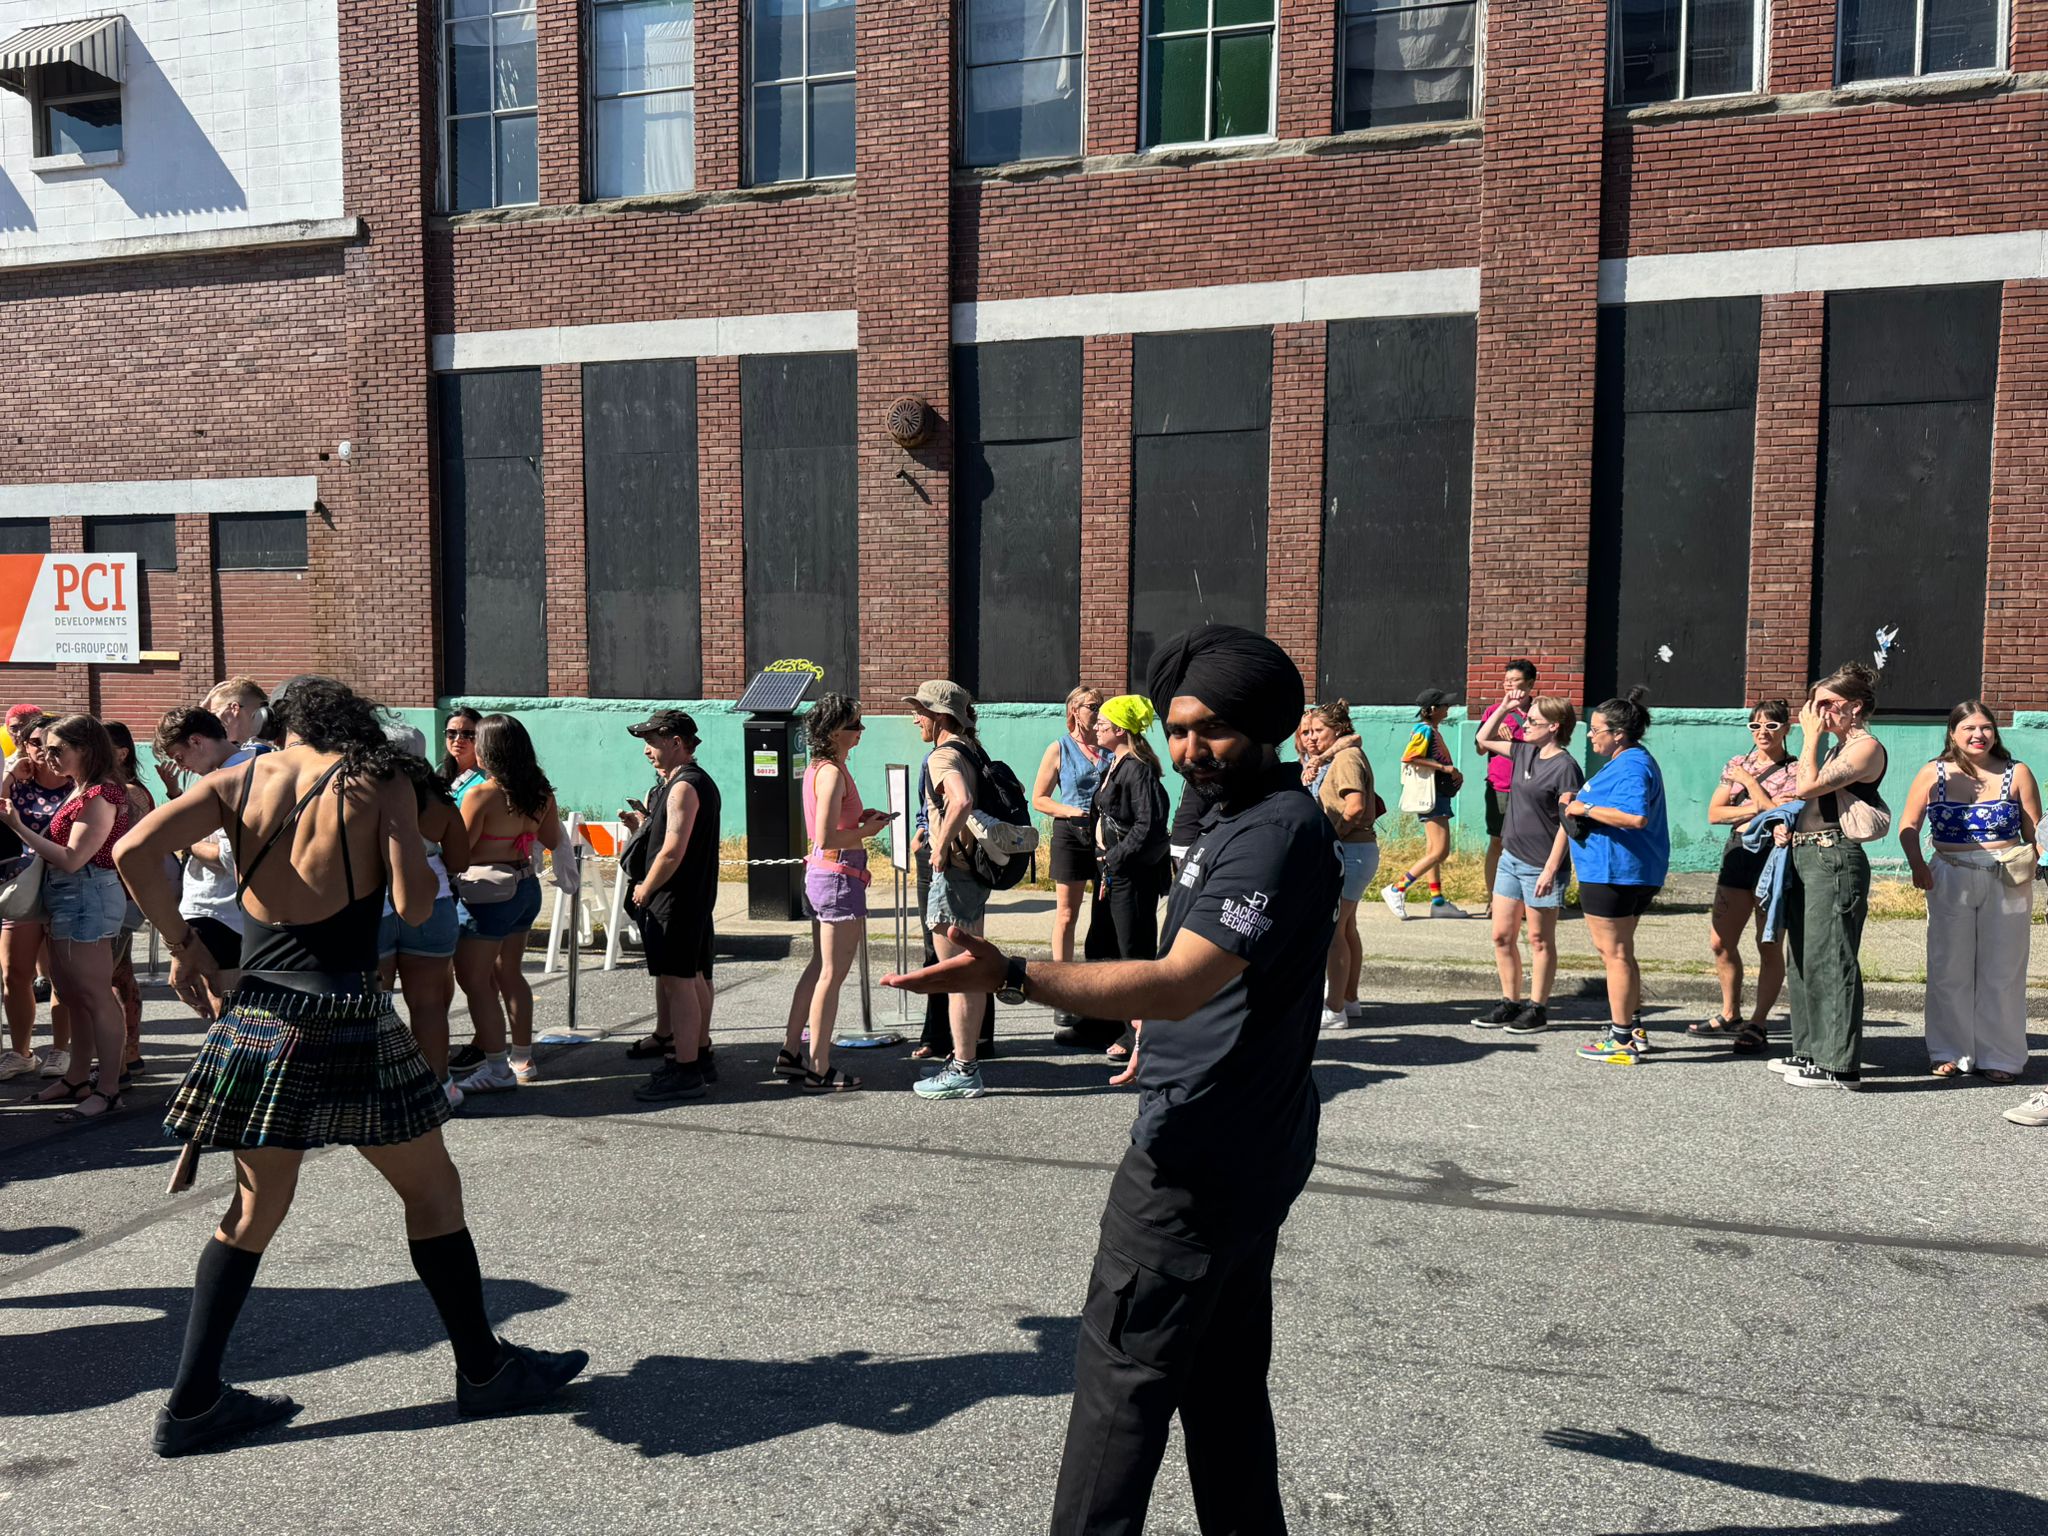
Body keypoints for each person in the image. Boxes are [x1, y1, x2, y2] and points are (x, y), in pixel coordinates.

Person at [885, 623, 1338, 1532]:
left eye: (1209, 729)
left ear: (1264, 727)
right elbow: (1210, 976)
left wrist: (1012, 975)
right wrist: (1154, 1034)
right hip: (1248, 1138)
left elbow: (1183, 980)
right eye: (1176, 729)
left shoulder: (1273, 833)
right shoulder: (1237, 818)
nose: (1188, 749)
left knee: (1118, 1391)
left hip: (1200, 1158)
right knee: (1222, 1388)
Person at [115, 674, 585, 1456]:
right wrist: (403, 827)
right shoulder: (376, 778)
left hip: (260, 1017)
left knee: (252, 1213)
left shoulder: (240, 777)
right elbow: (418, 901)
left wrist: (183, 944)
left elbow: (132, 849)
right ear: (352, 726)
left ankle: (192, 1403)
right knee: (434, 1192)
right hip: (345, 1015)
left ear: (286, 726)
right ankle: (483, 1369)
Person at [1899, 701, 2040, 1085]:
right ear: (1953, 734)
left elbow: (2035, 832)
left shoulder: (2018, 773)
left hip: (2007, 878)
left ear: (1995, 732)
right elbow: (1909, 825)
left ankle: (2002, 1057)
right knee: (1949, 967)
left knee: (2003, 970)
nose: (1979, 735)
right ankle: (1949, 1052)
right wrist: (1917, 863)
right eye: (1969, 729)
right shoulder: (1934, 772)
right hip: (1949, 876)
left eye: (1986, 727)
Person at [6, 715, 134, 1119]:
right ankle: (78, 1077)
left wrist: (18, 826)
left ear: (86, 749)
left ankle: (108, 1087)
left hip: (86, 894)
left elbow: (74, 859)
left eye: (58, 749)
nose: (48, 757)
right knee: (74, 992)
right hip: (70, 896)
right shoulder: (82, 788)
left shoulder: (100, 794)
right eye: (45, 748)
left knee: (95, 995)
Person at [1771, 662, 1888, 1091]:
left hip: (1834, 858)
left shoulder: (1865, 747)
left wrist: (1811, 738)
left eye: (1826, 704)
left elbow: (1808, 786)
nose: (1814, 713)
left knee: (1833, 957)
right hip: (1806, 854)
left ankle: (1840, 1065)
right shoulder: (1838, 746)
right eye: (1813, 704)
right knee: (1802, 957)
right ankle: (1811, 1049)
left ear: (1854, 707)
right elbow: (1807, 800)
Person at [778, 694, 889, 1095]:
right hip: (838, 876)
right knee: (831, 974)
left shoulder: (822, 768)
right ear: (834, 731)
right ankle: (819, 1066)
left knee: (818, 968)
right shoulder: (831, 772)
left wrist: (859, 821)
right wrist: (866, 831)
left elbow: (830, 825)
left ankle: (793, 1052)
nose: (861, 731)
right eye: (855, 724)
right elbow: (823, 835)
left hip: (826, 874)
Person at [450, 715, 560, 1095]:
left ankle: (496, 1066)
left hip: (486, 894)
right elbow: (551, 837)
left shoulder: (482, 794)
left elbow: (458, 851)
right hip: (525, 886)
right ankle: (523, 1057)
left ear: (490, 750)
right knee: (510, 973)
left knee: (475, 980)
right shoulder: (541, 791)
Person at [620, 710, 722, 1103]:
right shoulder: (688, 783)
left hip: (675, 898)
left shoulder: (683, 787)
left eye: (653, 742)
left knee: (679, 983)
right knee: (693, 977)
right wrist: (643, 825)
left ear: (676, 742)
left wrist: (646, 886)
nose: (647, 750)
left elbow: (673, 850)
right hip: (691, 897)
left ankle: (685, 1069)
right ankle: (698, 1055)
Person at [903, 680, 996, 1101]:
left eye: (920, 710)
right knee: (969, 969)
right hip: (972, 873)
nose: (915, 717)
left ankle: (963, 1068)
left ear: (941, 716)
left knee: (957, 973)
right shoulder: (969, 749)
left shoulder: (943, 754)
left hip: (955, 873)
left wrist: (939, 850)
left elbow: (959, 802)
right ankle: (964, 1059)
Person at [1566, 688, 1670, 1065]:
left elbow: (1635, 817)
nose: (1591, 735)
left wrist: (1584, 807)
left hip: (1615, 872)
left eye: (1596, 729)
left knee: (1615, 954)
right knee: (1622, 951)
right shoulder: (1630, 760)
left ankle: (1621, 1038)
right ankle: (1634, 1027)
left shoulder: (1631, 765)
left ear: (1619, 733)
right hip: (1623, 870)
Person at [1473, 696, 1581, 1034]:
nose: (1525, 726)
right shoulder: (1523, 751)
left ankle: (1537, 1008)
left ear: (1554, 727)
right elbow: (1483, 740)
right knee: (1502, 936)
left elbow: (1568, 823)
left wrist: (1551, 868)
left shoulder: (1566, 767)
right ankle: (1510, 1001)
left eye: (1532, 721)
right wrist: (1504, 708)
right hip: (1511, 858)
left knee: (1539, 938)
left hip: (1542, 864)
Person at [378, 724, 471, 1107]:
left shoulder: (363, 796)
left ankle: (379, 1089)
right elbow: (460, 860)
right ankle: (438, 1086)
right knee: (429, 1004)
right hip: (433, 900)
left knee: (373, 1004)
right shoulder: (441, 800)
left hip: (374, 905)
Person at [1697, 701, 1798, 1053]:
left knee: (1767, 942)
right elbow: (1714, 813)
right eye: (1755, 726)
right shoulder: (1736, 764)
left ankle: (1758, 1022)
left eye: (1771, 726)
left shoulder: (1797, 770)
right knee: (1720, 941)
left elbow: (1779, 811)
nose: (1762, 733)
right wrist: (1757, 807)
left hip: (1773, 859)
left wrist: (1750, 789)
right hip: (1738, 854)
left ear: (1786, 729)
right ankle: (1730, 1012)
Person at [154, 707, 256, 1021]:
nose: (182, 766)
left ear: (197, 741)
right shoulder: (243, 769)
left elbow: (229, 856)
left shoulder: (232, 778)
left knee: (226, 1012)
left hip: (220, 911)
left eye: (179, 756)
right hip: (219, 910)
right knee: (228, 1011)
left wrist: (186, 841)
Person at [1091, 695, 1171, 1062]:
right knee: (1113, 950)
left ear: (1120, 729)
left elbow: (1149, 826)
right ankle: (1124, 1025)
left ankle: (1141, 1035)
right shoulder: (1116, 763)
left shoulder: (1137, 768)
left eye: (1102, 724)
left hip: (1132, 875)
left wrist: (1115, 857)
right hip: (1115, 872)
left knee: (1134, 955)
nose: (1096, 727)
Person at [1032, 686, 1113, 1047]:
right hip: (1071, 832)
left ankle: (1097, 990)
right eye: (1092, 707)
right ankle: (1062, 990)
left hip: (1106, 836)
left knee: (1104, 911)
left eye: (1101, 707)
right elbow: (1039, 798)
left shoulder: (1109, 747)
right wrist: (1070, 811)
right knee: (1067, 914)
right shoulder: (1059, 748)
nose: (1098, 713)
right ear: (1074, 711)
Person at [1, 713, 74, 1081]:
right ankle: (21, 1052)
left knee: (62, 974)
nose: (44, 752)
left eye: (54, 745)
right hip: (22, 886)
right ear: (23, 746)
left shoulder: (77, 785)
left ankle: (60, 1049)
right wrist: (11, 774)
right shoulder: (16, 784)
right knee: (15, 973)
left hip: (66, 885)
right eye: (36, 744)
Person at [1298, 700, 1376, 1028]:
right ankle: (1349, 998)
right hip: (1356, 850)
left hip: (1350, 850)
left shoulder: (1345, 757)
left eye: (1319, 730)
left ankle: (1334, 1009)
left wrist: (1331, 835)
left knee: (1332, 931)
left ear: (1339, 729)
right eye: (1307, 732)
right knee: (1347, 927)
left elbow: (1355, 806)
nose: (1312, 738)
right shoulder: (1335, 756)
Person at [1383, 688, 1465, 919]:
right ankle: (1397, 888)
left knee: (1432, 850)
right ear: (1432, 710)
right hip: (1433, 796)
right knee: (1440, 850)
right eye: (1443, 706)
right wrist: (1445, 768)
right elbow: (1410, 756)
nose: (1447, 709)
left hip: (1438, 795)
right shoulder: (1424, 730)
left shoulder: (1432, 730)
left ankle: (1437, 901)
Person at [106, 720, 157, 1078]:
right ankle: (130, 1054)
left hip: (123, 898)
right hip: (118, 897)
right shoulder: (110, 790)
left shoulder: (131, 793)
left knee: (101, 978)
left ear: (121, 752)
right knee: (120, 975)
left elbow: (135, 851)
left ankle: (118, 1063)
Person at [1476, 660, 1536, 916]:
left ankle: (1524, 901)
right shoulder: (1494, 711)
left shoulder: (1540, 711)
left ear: (1530, 683)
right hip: (1500, 787)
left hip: (1531, 788)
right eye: (1506, 681)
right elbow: (1479, 747)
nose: (1509, 685)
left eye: (1515, 681)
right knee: (1498, 842)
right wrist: (1495, 729)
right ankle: (1494, 900)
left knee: (1526, 843)